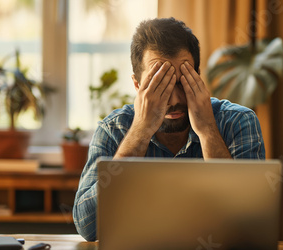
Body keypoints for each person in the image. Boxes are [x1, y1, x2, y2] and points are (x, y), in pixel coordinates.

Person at [72, 17, 265, 241]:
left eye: (183, 82)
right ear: (137, 85)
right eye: (159, 84)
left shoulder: (239, 122)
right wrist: (140, 131)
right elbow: (88, 227)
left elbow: (249, 223)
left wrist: (207, 130)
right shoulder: (113, 129)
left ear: (197, 77)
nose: (173, 99)